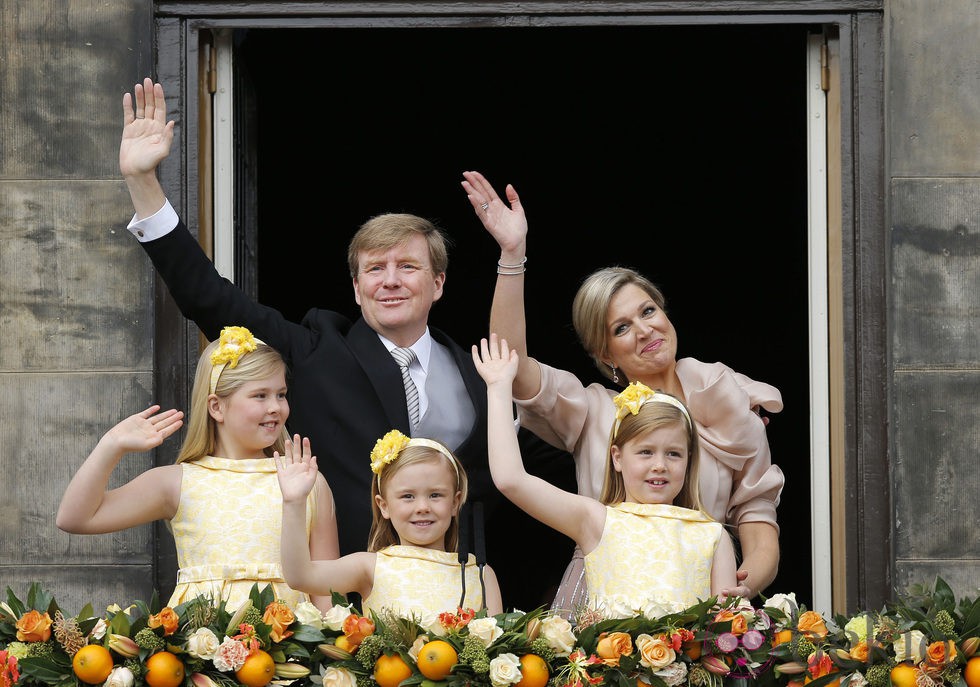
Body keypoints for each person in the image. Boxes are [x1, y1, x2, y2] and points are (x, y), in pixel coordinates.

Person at [461, 170, 783, 612]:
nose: (645, 329)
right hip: (602, 597)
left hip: (702, 595)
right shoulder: (590, 408)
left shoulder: (727, 398)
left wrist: (742, 585)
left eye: (648, 310)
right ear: (605, 352)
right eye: (622, 327)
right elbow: (509, 363)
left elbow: (758, 517)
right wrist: (512, 254)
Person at [57, 325, 338, 612]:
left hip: (290, 650)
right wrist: (111, 445)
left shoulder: (307, 481)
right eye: (260, 395)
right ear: (216, 407)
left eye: (281, 394)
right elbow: (75, 518)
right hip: (200, 650)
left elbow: (329, 596)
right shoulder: (178, 482)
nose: (276, 407)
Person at [474, 334, 736, 617]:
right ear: (617, 457)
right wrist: (499, 388)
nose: (660, 465)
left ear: (689, 461)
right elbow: (511, 479)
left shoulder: (713, 535)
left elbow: (723, 631)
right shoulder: (597, 520)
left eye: (673, 454)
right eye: (646, 452)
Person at [276, 428, 503, 620]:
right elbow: (300, 576)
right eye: (407, 496)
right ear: (383, 505)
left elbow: (495, 645)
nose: (422, 506)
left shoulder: (481, 574)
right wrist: (294, 502)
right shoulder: (370, 567)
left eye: (435, 495)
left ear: (455, 503)